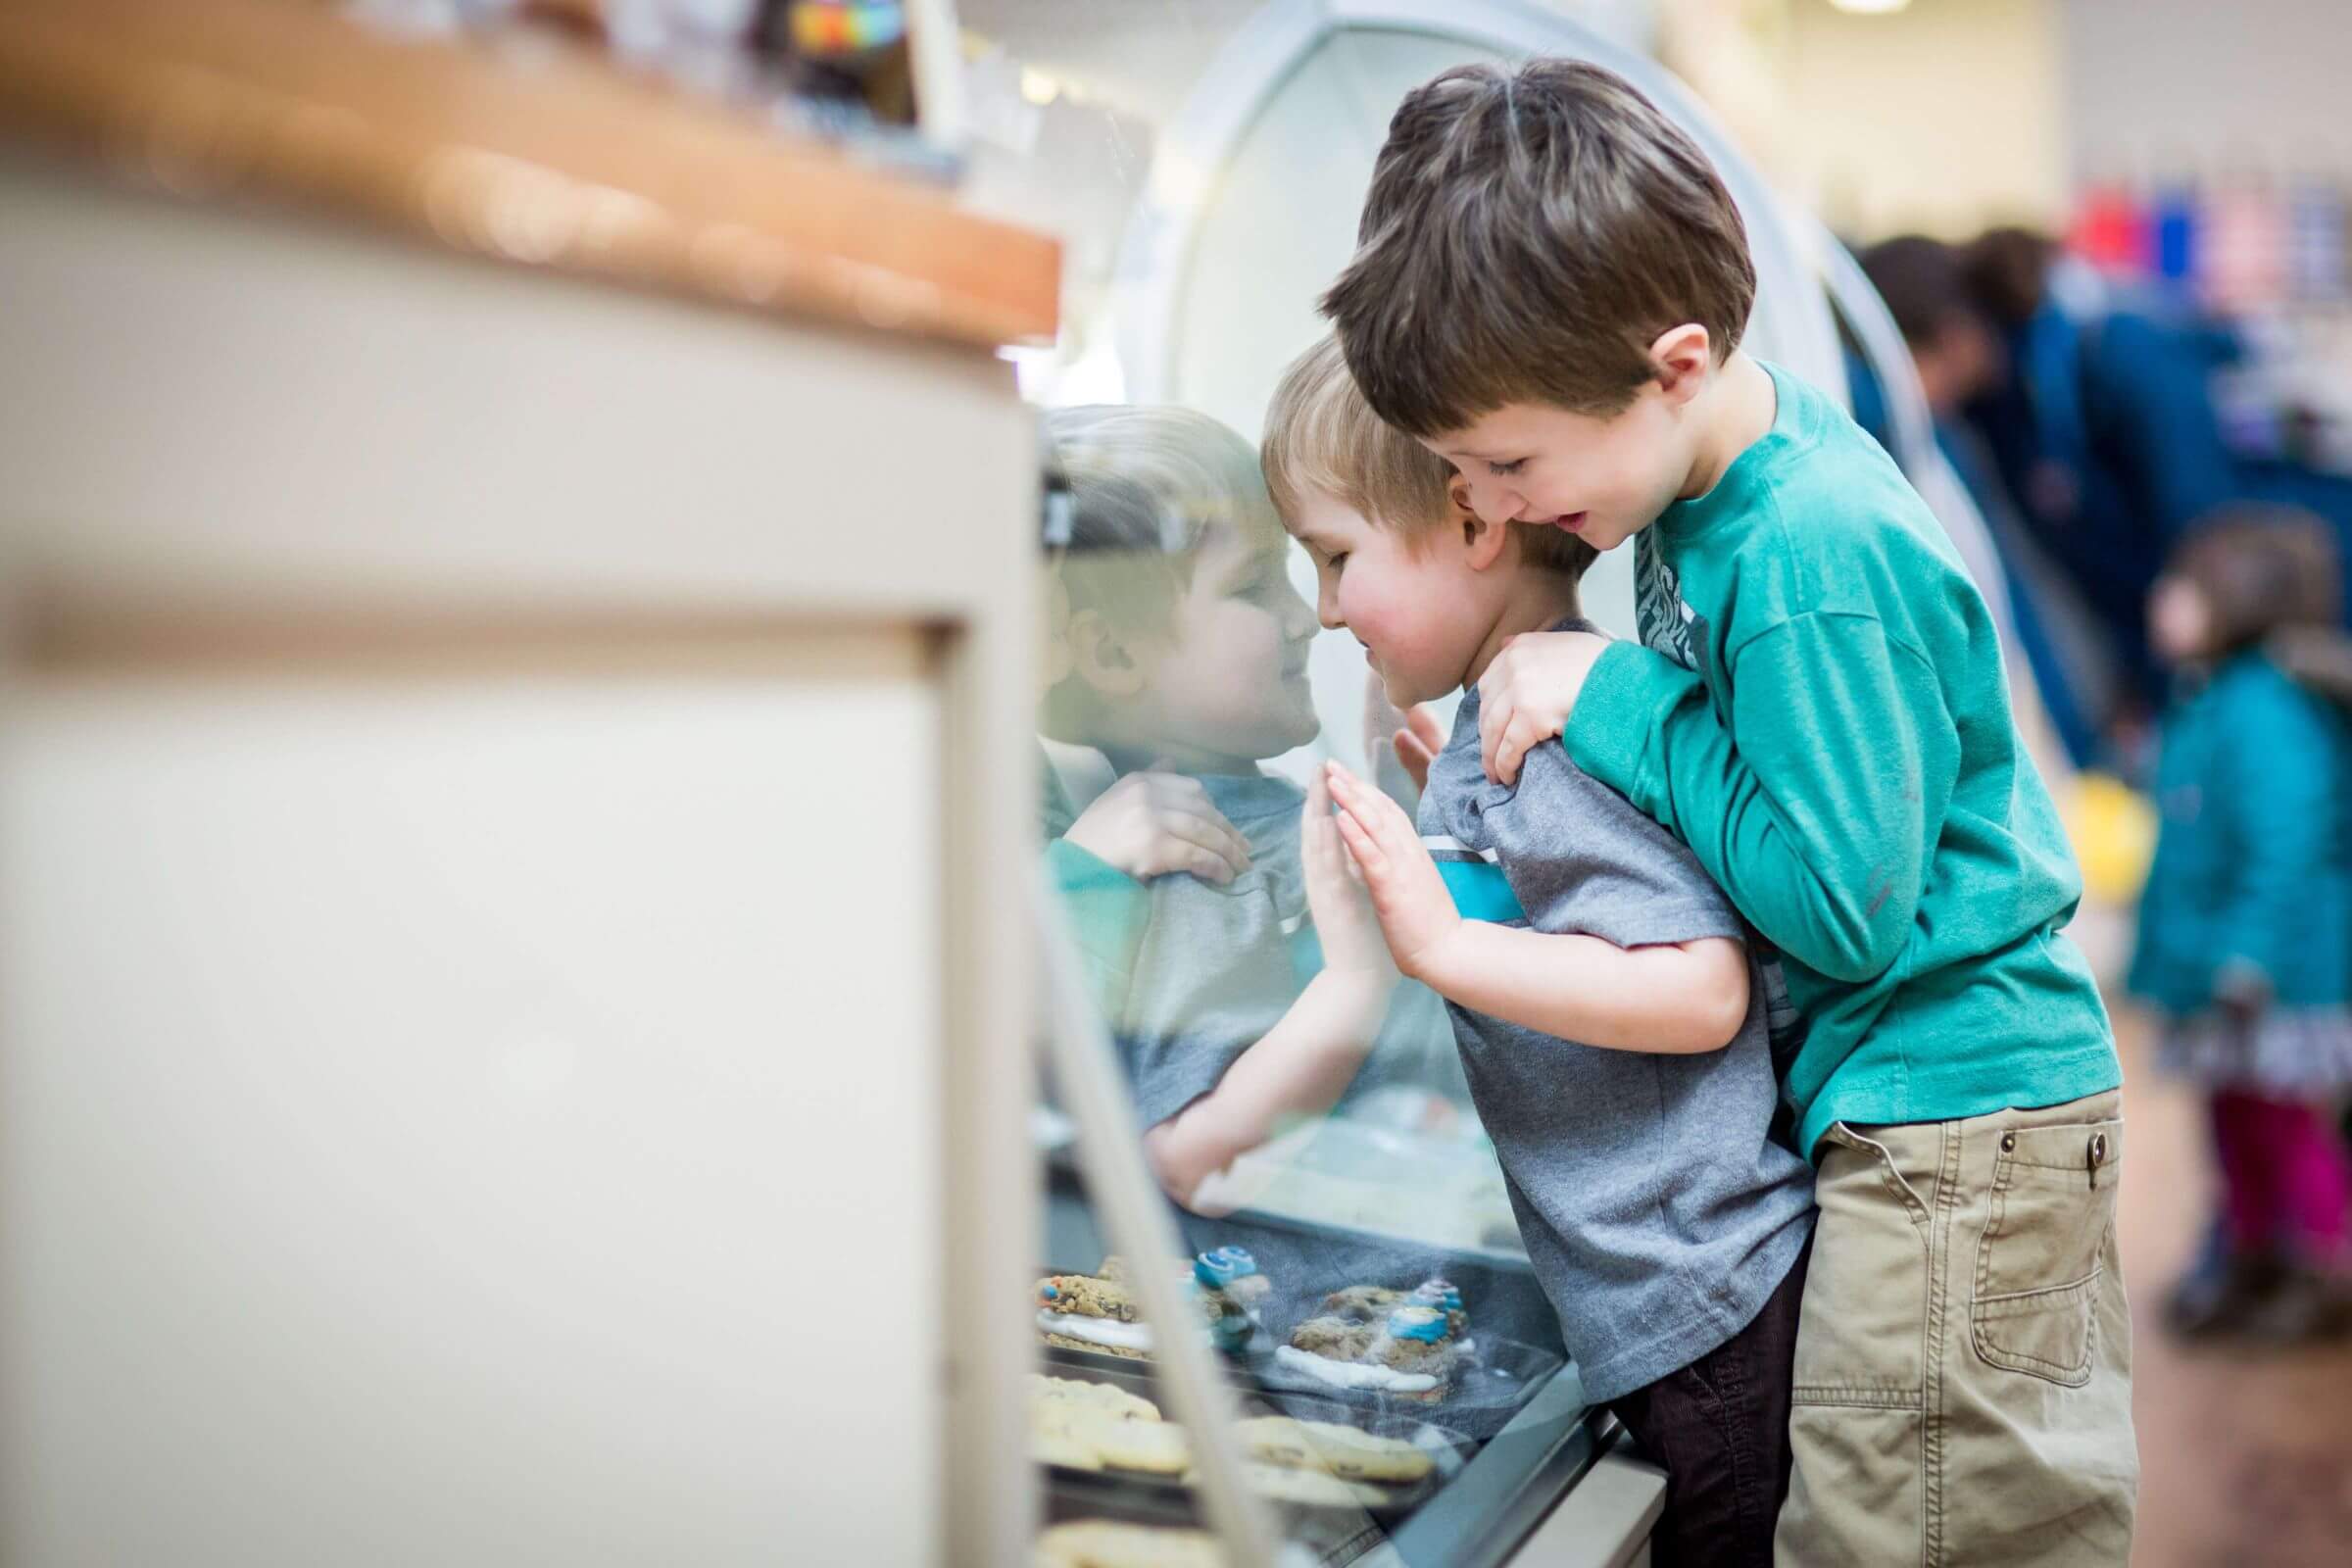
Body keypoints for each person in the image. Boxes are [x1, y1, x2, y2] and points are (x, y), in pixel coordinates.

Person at [1319, 58, 2135, 1564]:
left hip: (1954, 1123)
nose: (1496, 507)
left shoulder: (1803, 555)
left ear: (1676, 362)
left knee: (1906, 1534)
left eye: (1509, 463)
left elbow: (1844, 908)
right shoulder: (1696, 492)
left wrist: (1609, 695)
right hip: (1908, 1112)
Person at [1262, 336, 1814, 1567]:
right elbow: (1577, 920)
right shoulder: (1501, 737)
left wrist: (1440, 938)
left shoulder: (1542, 750)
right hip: (1670, 1315)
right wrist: (1456, 853)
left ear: (1472, 524)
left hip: (1703, 1314)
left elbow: (1697, 987)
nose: (1323, 607)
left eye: (1336, 556)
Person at [1039, 404, 1396, 1211]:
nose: (1307, 617)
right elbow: (1191, 1155)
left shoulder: (1253, 824)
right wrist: (1354, 980)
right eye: (1252, 585)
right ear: (1113, 653)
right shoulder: (1205, 860)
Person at [2128, 509, 2352, 1343]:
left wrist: (2249, 955)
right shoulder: (2213, 701)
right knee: (2235, 1128)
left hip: (2272, 979)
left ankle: (2320, 1267)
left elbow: (2286, 844)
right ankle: (2255, 1259)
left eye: (2178, 590)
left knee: (2283, 1127)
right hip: (2220, 975)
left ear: (2237, 601)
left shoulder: (2264, 709)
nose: (2159, 602)